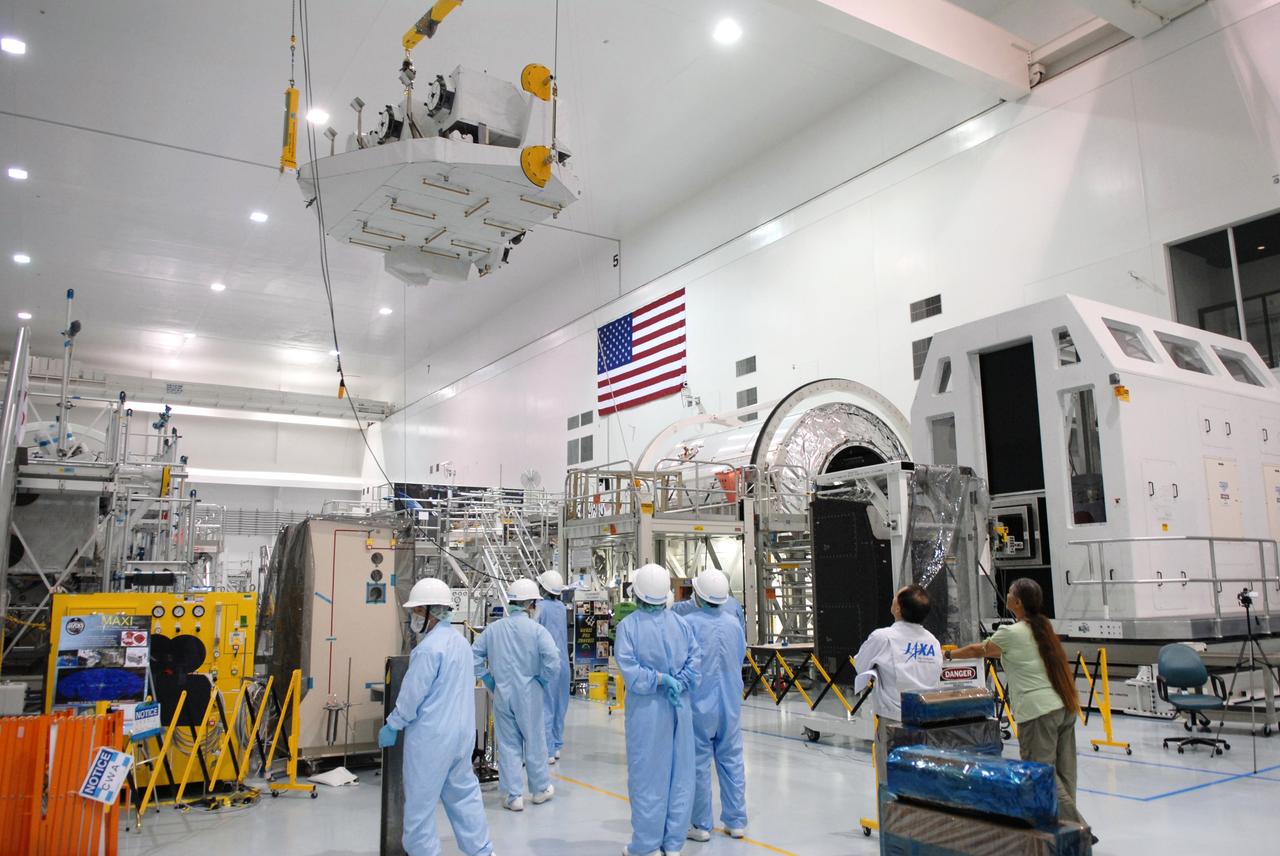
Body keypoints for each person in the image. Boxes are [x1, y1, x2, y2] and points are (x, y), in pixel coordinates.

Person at [948, 578, 1092, 839]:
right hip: (1063, 706)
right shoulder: (1043, 628)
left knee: (1041, 773)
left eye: (1010, 594)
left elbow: (979, 650)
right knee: (1065, 773)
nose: (1007, 596)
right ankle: (1064, 828)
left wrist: (948, 655)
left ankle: (1077, 828)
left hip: (1038, 711)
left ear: (1017, 602)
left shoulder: (1011, 633)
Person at [377, 578, 495, 856]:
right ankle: (481, 850)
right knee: (464, 795)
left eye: (417, 611)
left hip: (431, 740)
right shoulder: (461, 643)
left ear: (430, 611)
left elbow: (412, 696)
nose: (414, 617)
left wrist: (393, 723)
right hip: (461, 737)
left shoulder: (428, 650)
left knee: (420, 805)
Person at [616, 563, 701, 856]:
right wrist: (678, 681)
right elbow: (695, 662)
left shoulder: (628, 627)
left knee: (648, 777)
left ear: (637, 594)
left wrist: (659, 680)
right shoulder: (681, 624)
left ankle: (647, 846)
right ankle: (673, 844)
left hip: (647, 710)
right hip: (681, 706)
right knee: (681, 775)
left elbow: (631, 672)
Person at [472, 577, 561, 812]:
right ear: (531, 604)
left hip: (501, 692)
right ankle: (540, 789)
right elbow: (553, 659)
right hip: (530, 692)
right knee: (534, 741)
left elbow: (474, 655)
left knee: (508, 744)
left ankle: (513, 796)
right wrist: (543, 678)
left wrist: (488, 678)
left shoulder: (493, 630)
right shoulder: (537, 630)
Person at [680, 569, 748, 843]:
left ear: (698, 595)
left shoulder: (689, 623)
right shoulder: (734, 624)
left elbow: (682, 662)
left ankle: (700, 825)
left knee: (698, 763)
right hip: (730, 702)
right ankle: (736, 821)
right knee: (732, 759)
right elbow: (740, 657)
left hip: (699, 703)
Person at [852, 584, 943, 786]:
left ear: (898, 608)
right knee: (920, 779)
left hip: (893, 720)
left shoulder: (883, 637)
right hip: (925, 719)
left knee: (891, 780)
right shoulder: (933, 641)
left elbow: (860, 665)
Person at [535, 569, 571, 765]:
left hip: (547, 663)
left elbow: (532, 632)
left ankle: (547, 749)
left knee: (546, 705)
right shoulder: (562, 608)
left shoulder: (540, 608)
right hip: (563, 663)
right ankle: (556, 745)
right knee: (560, 705)